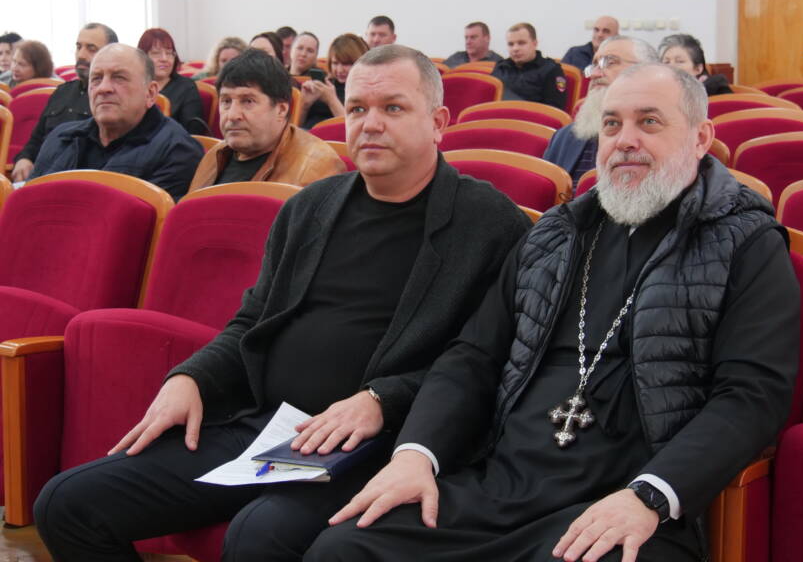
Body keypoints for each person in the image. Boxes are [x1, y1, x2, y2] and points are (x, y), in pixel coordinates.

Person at [33, 44, 531, 562]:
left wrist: (383, 399)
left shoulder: (489, 225)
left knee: (258, 537)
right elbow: (252, 320)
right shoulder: (310, 207)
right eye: (357, 108)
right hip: (268, 426)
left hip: (378, 442)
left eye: (393, 108)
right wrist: (192, 378)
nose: (370, 124)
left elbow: (484, 364)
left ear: (438, 122)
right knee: (66, 504)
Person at [307, 62, 800, 562]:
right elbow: (473, 356)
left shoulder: (746, 242)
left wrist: (651, 494)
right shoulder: (556, 233)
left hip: (621, 502)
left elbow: (751, 394)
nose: (625, 141)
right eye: (611, 124)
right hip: (498, 488)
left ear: (700, 138)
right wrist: (416, 455)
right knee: (343, 549)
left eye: (649, 122)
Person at [29, 44, 203, 201]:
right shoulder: (61, 137)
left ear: (150, 93)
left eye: (119, 78)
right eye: (96, 78)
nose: (104, 88)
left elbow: (143, 223)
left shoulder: (177, 150)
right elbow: (27, 203)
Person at [188, 48, 345, 191]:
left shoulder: (317, 168)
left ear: (281, 110)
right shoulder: (215, 155)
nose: (232, 115)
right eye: (226, 101)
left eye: (248, 101)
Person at [545, 36, 658, 189]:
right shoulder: (563, 138)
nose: (595, 74)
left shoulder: (663, 141)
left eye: (610, 62)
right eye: (594, 65)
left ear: (647, 72)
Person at [10, 23, 117, 182]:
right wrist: (24, 159)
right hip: (40, 177)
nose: (81, 55)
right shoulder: (62, 92)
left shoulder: (112, 97)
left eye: (91, 49)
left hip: (81, 180)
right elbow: (36, 140)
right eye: (78, 47)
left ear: (111, 55)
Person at [138, 28, 206, 134]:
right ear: (142, 57)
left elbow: (193, 132)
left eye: (169, 53)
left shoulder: (186, 87)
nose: (164, 59)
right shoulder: (134, 86)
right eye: (156, 53)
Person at [299, 33, 369, 129]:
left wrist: (331, 100)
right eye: (335, 63)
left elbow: (352, 128)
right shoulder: (326, 84)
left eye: (346, 64)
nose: (340, 70)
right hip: (307, 134)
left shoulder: (363, 90)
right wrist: (304, 104)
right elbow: (295, 127)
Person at [492, 23, 566, 109]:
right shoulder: (501, 68)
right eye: (511, 44)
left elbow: (554, 110)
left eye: (521, 43)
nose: (515, 49)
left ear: (534, 44)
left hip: (533, 116)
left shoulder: (551, 70)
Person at [659, 33, 732, 96]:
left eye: (679, 61)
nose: (671, 66)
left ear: (698, 69)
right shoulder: (660, 90)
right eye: (666, 62)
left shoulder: (717, 89)